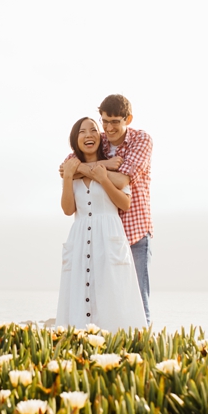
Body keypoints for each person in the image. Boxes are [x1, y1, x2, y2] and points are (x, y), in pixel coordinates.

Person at [60, 94, 154, 324]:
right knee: (99, 298)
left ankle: (145, 354)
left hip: (134, 230)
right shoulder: (97, 139)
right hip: (97, 237)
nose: (108, 128)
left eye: (115, 122)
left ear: (127, 119)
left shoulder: (140, 141)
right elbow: (66, 169)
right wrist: (102, 165)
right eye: (105, 121)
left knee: (135, 302)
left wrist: (94, 172)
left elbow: (122, 180)